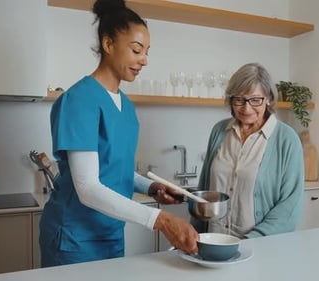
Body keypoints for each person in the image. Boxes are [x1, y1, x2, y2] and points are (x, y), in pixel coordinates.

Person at [39, 0, 198, 267]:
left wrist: (151, 187)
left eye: (147, 51)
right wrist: (160, 220)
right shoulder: (79, 100)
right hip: (74, 239)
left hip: (110, 234)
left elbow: (116, 169)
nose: (144, 60)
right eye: (136, 50)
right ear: (108, 44)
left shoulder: (125, 105)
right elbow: (88, 187)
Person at [194, 62, 305, 238]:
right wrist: (195, 235)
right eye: (239, 100)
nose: (246, 108)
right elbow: (205, 191)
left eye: (255, 100)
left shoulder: (287, 139)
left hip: (259, 248)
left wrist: (251, 241)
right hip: (214, 241)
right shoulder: (219, 131)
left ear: (268, 98)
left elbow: (290, 206)